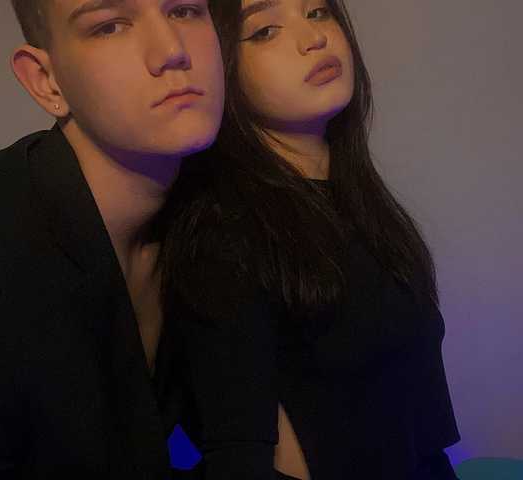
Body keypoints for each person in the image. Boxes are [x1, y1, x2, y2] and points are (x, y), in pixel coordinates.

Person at [160, 0, 460, 478]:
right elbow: (240, 454)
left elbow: (422, 435)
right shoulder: (225, 233)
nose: (314, 38)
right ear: (222, 65)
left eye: (318, 12)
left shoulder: (362, 202)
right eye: (265, 31)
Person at [0, 0, 224, 477]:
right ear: (46, 81)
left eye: (184, 11)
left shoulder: (211, 223)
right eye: (110, 26)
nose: (171, 50)